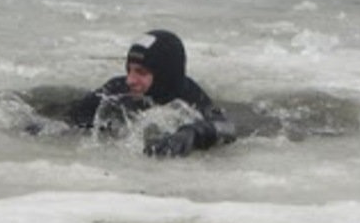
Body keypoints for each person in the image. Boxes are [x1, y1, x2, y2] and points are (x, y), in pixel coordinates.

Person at [69, 30, 236, 157]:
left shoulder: (190, 98)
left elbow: (227, 127)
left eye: (141, 72)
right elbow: (69, 118)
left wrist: (193, 133)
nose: (130, 81)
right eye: (129, 70)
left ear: (164, 76)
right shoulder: (115, 92)